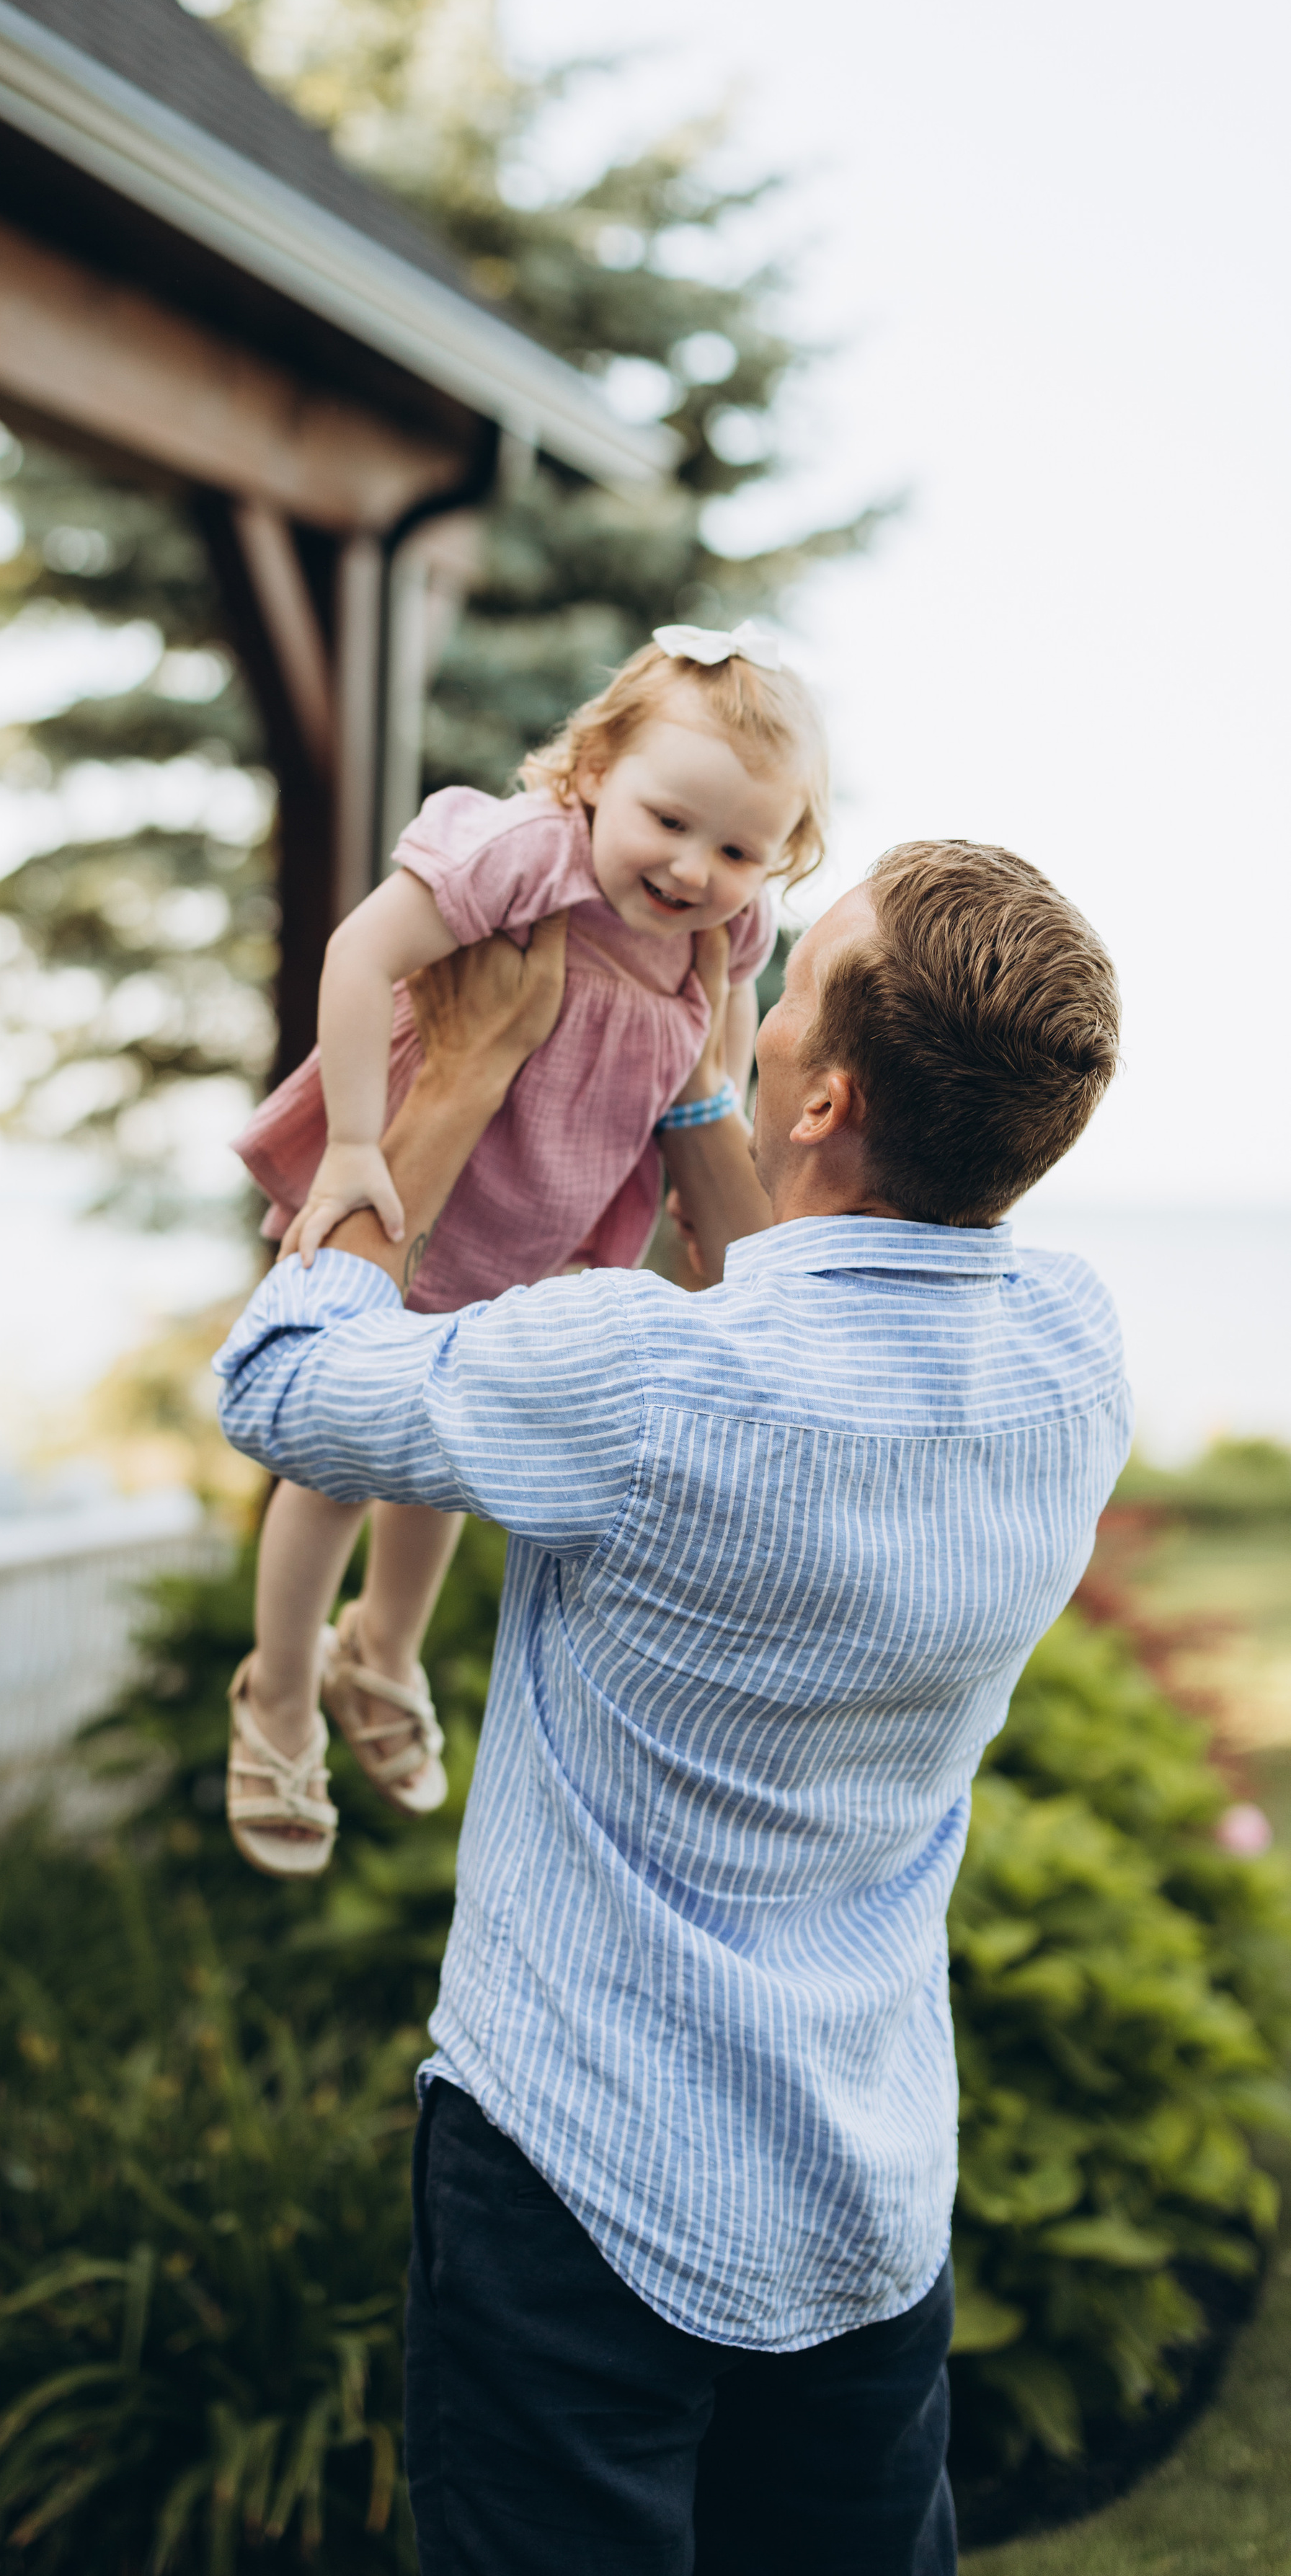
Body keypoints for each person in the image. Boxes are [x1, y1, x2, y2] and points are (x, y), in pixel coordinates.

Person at [213, 839, 1129, 2574]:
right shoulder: (1070, 1357)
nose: (752, 1000)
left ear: (827, 1096)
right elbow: (793, 1280)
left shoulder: (638, 1383)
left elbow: (277, 1379)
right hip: (865, 2189)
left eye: (784, 988)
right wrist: (707, 1096)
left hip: (578, 2181)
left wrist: (461, 1076)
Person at [226, 621, 828, 1875]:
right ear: (595, 767)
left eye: (737, 850)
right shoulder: (520, 855)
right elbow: (360, 952)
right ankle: (279, 1690)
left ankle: (380, 1650)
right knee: (337, 1461)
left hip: (552, 1225)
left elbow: (708, 1071)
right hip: (416, 1195)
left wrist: (688, 1190)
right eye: (669, 820)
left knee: (457, 1451)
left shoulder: (726, 937)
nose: (691, 868)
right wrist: (349, 1141)